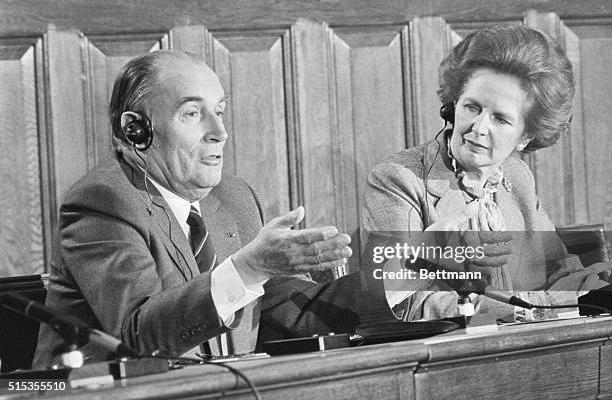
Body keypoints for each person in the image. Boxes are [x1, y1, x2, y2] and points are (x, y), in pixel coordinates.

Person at [33, 50, 395, 367]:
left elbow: (298, 309)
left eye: (219, 111)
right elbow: (137, 337)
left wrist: (426, 262)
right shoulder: (103, 201)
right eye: (193, 113)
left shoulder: (232, 197)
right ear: (136, 130)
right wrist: (249, 267)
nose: (219, 132)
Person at [361, 25, 610, 321]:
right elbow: (406, 307)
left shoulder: (517, 177)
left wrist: (598, 295)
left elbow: (562, 272)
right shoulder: (397, 180)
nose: (479, 128)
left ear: (526, 136)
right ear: (452, 106)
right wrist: (530, 311)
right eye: (472, 107)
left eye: (500, 118)